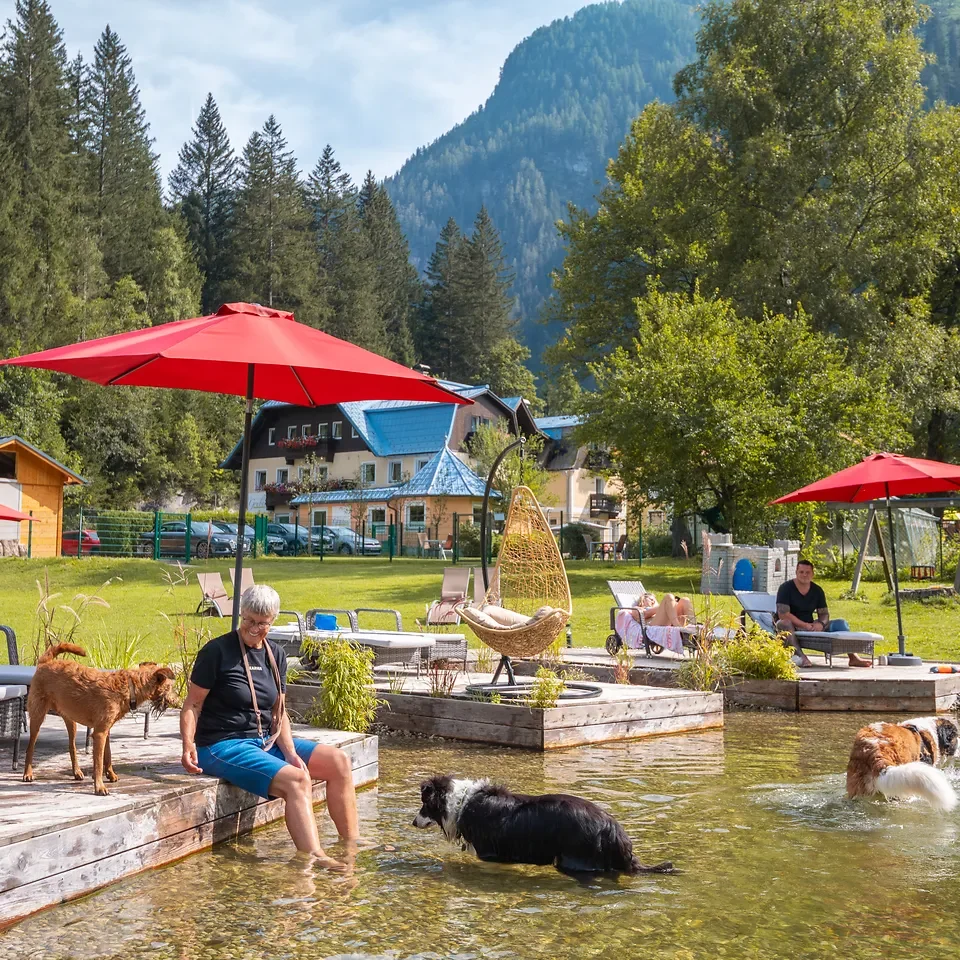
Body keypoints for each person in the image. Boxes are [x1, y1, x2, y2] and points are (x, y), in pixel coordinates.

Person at [180, 584, 359, 861]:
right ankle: (314, 857)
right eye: (249, 620)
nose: (254, 628)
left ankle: (350, 845)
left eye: (262, 623)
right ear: (241, 615)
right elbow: (192, 704)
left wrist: (289, 752)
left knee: (339, 762)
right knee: (297, 780)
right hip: (223, 745)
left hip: (266, 741)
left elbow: (280, 711)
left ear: (272, 620)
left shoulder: (276, 655)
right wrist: (187, 744)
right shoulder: (217, 652)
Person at [775, 559, 871, 669]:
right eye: (801, 572)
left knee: (841, 623)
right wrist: (804, 625)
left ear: (813, 574)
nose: (804, 575)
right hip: (791, 625)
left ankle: (853, 657)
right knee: (784, 623)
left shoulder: (817, 590)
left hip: (810, 625)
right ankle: (801, 657)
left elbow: (824, 613)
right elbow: (784, 614)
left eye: (808, 572)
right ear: (796, 573)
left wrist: (820, 623)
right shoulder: (786, 588)